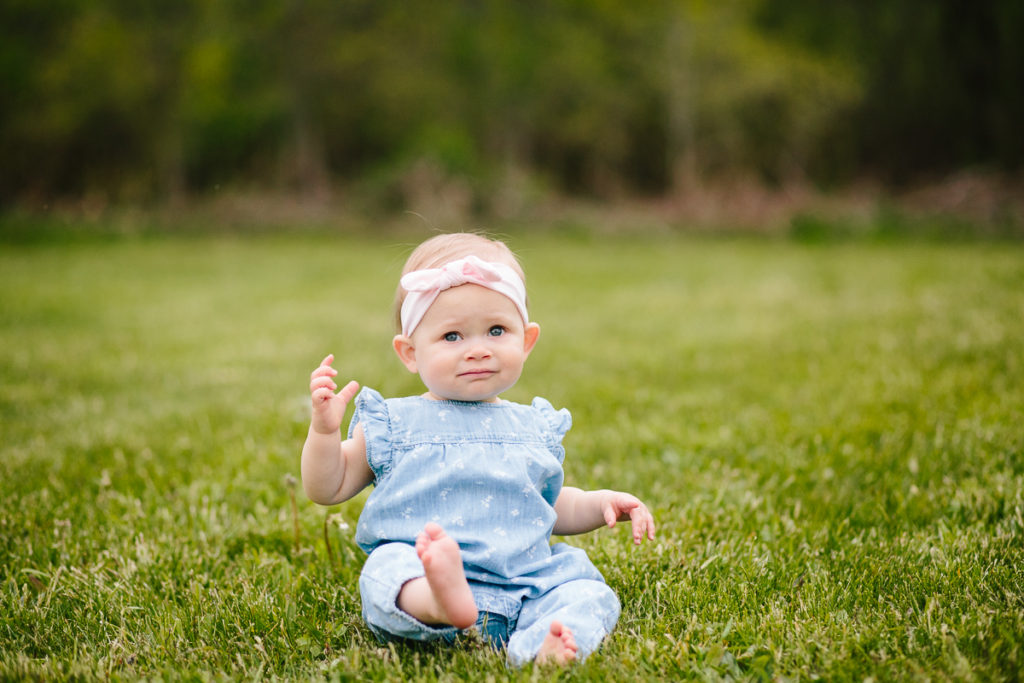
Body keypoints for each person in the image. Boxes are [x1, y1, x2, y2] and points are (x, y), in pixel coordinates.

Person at [301, 233, 655, 666]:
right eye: (452, 336)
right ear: (410, 353)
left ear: (525, 340)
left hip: (524, 582)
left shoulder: (532, 426)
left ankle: (542, 648)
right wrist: (323, 432)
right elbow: (328, 486)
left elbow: (546, 504)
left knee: (585, 586)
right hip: (422, 571)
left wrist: (601, 503)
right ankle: (436, 600)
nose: (478, 349)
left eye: (496, 330)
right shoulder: (395, 424)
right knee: (386, 569)